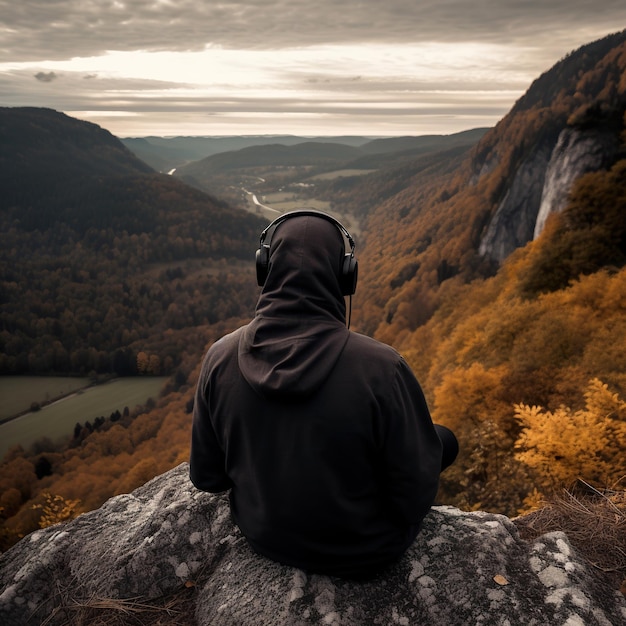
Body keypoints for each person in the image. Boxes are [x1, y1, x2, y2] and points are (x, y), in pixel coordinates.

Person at [189, 210, 458, 579]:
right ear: (346, 276)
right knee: (442, 440)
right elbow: (412, 499)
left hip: (263, 537)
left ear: (265, 271)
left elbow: (208, 478)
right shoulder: (382, 368)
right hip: (366, 550)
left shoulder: (219, 357)